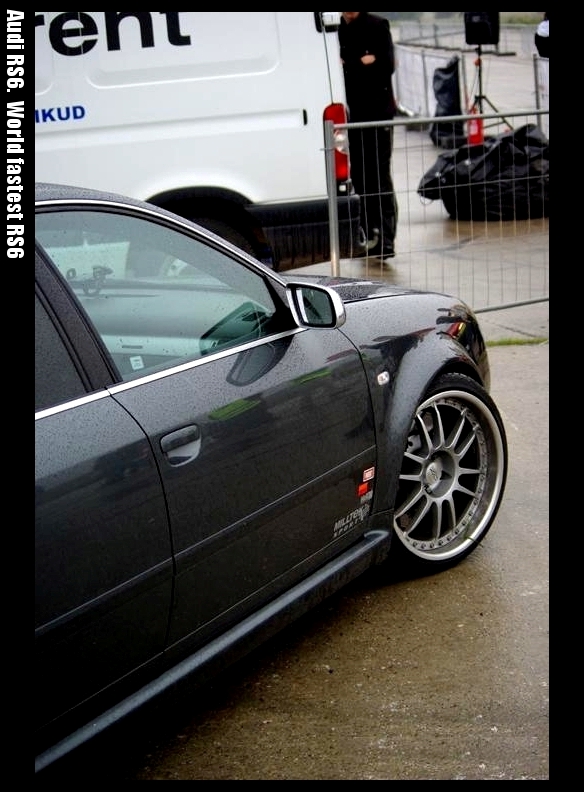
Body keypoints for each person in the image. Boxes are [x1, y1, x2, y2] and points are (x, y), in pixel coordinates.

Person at [339, 11, 398, 262]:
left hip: (377, 114)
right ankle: (366, 235)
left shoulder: (377, 25)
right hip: (351, 116)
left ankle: (385, 239)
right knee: (359, 177)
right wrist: (361, 62)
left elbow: (385, 66)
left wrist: (349, 65)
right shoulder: (335, 30)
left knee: (379, 176)